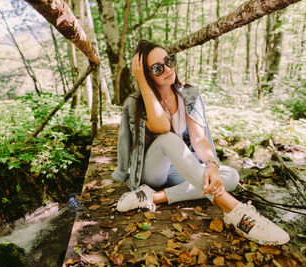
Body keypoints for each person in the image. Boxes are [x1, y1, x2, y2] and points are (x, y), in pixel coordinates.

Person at [112, 40, 289, 246]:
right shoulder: (136, 102)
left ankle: (153, 197)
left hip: (180, 170)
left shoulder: (189, 94)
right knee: (168, 138)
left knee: (230, 176)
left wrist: (211, 165)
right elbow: (161, 127)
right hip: (153, 171)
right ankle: (236, 213)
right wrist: (142, 82)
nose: (168, 69)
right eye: (158, 68)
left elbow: (198, 137)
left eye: (169, 61)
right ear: (146, 74)